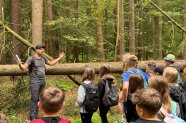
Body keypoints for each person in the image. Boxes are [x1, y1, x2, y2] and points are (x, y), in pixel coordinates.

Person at [17, 44, 65, 121]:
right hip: (34, 82)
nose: (42, 50)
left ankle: (37, 116)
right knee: (34, 99)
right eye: (40, 49)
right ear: (36, 50)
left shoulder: (43, 58)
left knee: (41, 99)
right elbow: (23, 68)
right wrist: (20, 64)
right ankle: (32, 117)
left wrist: (59, 57)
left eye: (43, 49)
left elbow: (51, 63)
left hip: (42, 81)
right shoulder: (31, 58)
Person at [118, 54, 149, 122]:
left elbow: (125, 88)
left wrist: (125, 98)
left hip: (131, 98)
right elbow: (151, 80)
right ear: (135, 64)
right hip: (143, 96)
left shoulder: (127, 73)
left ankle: (122, 119)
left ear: (126, 64)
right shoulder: (140, 71)